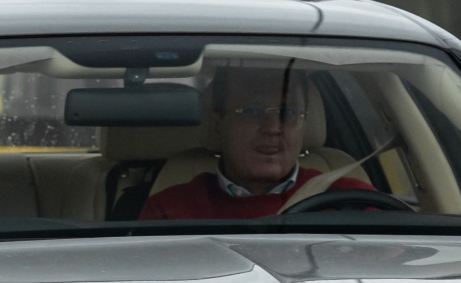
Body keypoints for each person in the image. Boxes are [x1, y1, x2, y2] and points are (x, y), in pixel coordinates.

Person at [139, 66, 378, 221]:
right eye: (252, 111)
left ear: (305, 121)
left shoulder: (352, 200)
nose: (273, 128)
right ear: (219, 122)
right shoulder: (170, 210)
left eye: (288, 112)